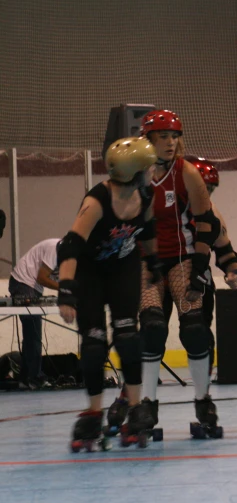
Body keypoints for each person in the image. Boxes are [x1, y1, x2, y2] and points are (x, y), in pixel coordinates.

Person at [58, 137, 158, 450]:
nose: (154, 171)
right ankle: (93, 412)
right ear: (135, 171)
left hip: (123, 267)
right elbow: (70, 245)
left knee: (128, 336)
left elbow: (149, 228)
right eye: (149, 167)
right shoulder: (97, 200)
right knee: (94, 342)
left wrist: (154, 261)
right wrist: (65, 289)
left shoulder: (145, 193)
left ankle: (136, 407)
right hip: (89, 272)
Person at [137, 110, 223, 438]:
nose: (170, 143)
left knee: (195, 329)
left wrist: (201, 268)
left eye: (174, 136)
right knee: (153, 328)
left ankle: (203, 400)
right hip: (146, 261)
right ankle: (147, 402)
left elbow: (207, 221)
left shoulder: (185, 172)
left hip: (183, 257)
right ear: (148, 140)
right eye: (163, 137)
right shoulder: (135, 174)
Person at [162, 158, 237, 376]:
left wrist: (233, 271)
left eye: (209, 189)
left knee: (197, 331)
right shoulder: (165, 205)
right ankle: (140, 390)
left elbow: (225, 249)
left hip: (196, 278)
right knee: (154, 329)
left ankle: (203, 385)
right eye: (202, 188)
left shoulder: (211, 211)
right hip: (161, 274)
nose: (205, 194)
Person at [8, 238, 61, 388]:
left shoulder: (69, 255)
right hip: (23, 283)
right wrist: (64, 288)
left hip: (32, 286)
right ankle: (34, 377)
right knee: (34, 332)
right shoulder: (54, 248)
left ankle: (25, 378)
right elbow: (42, 278)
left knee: (32, 333)